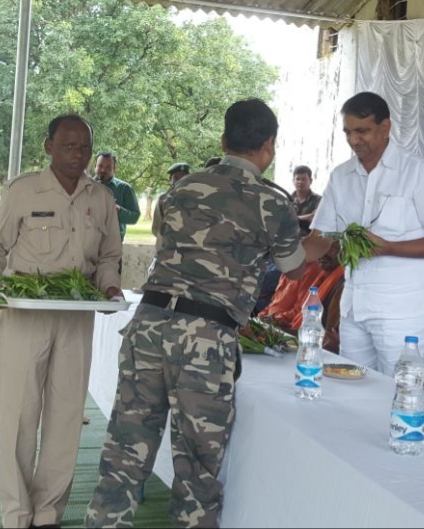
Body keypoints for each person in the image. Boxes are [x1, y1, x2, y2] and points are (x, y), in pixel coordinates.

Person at [85, 98, 326, 528]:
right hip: (205, 339)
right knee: (198, 471)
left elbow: (170, 238)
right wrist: (325, 244)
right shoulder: (271, 201)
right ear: (269, 146)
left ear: (222, 139)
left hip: (148, 325)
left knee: (124, 455)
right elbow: (292, 264)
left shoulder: (180, 189)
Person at [0, 114, 123, 529]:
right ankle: (16, 515)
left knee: (66, 417)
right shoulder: (23, 192)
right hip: (26, 317)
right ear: (48, 147)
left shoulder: (102, 199)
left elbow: (109, 258)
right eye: (69, 146)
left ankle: (47, 515)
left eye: (85, 148)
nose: (78, 155)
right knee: (19, 415)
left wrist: (111, 287)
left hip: (75, 320)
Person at [311, 91, 424, 375]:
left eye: (363, 131)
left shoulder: (415, 172)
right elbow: (321, 238)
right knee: (352, 394)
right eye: (348, 132)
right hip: (355, 308)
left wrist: (389, 247)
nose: (355, 140)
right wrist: (282, 251)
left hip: (405, 313)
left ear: (385, 127)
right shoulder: (341, 176)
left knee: (398, 397)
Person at [94, 151, 141, 241]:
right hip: (88, 246)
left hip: (112, 245)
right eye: (100, 166)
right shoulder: (85, 187)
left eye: (108, 167)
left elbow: (135, 217)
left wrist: (118, 210)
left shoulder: (125, 188)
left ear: (114, 169)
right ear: (95, 167)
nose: (103, 170)